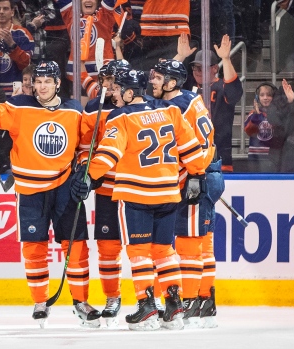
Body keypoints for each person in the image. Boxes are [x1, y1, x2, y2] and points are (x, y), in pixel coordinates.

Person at [72, 67, 207, 331]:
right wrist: (196, 174)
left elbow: (108, 154)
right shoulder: (169, 111)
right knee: (164, 250)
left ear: (130, 91)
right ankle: (174, 304)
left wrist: (87, 177)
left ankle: (146, 308)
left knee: (139, 252)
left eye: (117, 89)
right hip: (169, 192)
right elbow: (191, 146)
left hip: (137, 195)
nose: (113, 93)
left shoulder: (121, 118)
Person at [0, 61, 99, 328]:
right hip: (30, 190)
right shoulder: (21, 105)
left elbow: (85, 147)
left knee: (76, 246)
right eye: (37, 82)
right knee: (34, 248)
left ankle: (81, 302)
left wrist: (84, 174)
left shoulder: (73, 109)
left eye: (47, 82)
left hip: (65, 187)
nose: (41, 87)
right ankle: (40, 302)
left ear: (57, 83)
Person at [149, 59, 223, 328]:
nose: (153, 82)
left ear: (172, 83)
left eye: (159, 77)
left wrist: (195, 175)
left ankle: (190, 300)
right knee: (204, 243)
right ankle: (206, 300)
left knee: (189, 243)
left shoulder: (173, 106)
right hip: (210, 172)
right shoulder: (191, 97)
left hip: (196, 176)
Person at [77, 59, 127, 327]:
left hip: (138, 188)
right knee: (108, 248)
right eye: (104, 79)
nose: (106, 84)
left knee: (148, 247)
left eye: (111, 80)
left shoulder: (138, 105)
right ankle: (112, 296)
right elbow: (85, 145)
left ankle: (151, 297)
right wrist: (87, 169)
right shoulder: (94, 107)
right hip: (107, 188)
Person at [181, 34, 244, 173]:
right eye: (195, 68)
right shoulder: (188, 87)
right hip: (190, 156)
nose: (197, 72)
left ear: (215, 68)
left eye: (201, 67)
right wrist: (180, 56)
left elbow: (234, 93)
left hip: (219, 155)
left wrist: (226, 59)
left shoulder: (221, 86)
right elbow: (164, 82)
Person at [54, 0, 116, 87]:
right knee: (77, 101)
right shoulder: (71, 15)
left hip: (103, 76)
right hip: (76, 77)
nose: (88, 0)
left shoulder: (104, 16)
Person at [243, 82, 278, 173]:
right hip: (254, 155)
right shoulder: (252, 114)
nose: (265, 98)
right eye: (262, 95)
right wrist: (256, 115)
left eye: (269, 95)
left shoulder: (277, 114)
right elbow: (249, 130)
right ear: (257, 98)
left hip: (271, 156)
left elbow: (278, 129)